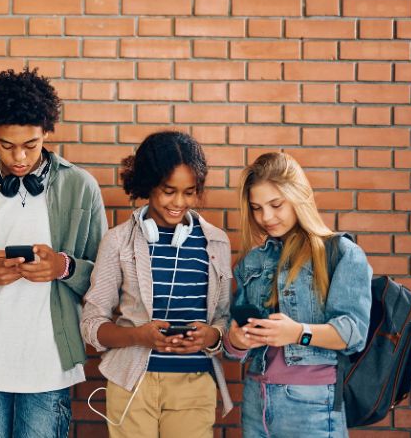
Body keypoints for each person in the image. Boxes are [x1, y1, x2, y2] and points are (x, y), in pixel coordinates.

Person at [0, 68, 108, 438]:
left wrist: (63, 267)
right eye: (6, 145)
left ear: (47, 132)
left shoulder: (81, 187)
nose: (19, 157)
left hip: (50, 359)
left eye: (30, 145)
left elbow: (107, 281)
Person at [81, 131, 234, 438]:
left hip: (194, 386)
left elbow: (224, 317)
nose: (179, 202)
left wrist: (211, 335)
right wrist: (137, 336)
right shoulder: (118, 241)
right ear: (148, 184)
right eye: (168, 191)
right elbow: (91, 323)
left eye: (189, 192)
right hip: (132, 384)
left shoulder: (216, 242)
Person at [224, 152, 372, 438]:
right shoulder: (251, 262)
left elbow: (353, 334)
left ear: (298, 196)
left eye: (275, 204)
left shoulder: (341, 254)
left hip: (313, 404)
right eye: (256, 208)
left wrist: (297, 333)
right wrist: (236, 341)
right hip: (257, 400)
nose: (266, 217)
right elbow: (237, 349)